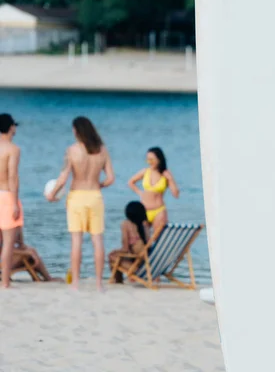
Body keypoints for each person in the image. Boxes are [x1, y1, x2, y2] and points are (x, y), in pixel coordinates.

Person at [46, 116, 115, 291]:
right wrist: (99, 184)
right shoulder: (102, 150)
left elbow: (63, 178)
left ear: (76, 131)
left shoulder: (72, 150)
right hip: (95, 197)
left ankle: (76, 283)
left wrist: (52, 195)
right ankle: (99, 283)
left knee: (76, 241)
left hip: (77, 196)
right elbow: (110, 178)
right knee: (97, 240)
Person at [127, 147, 179, 231]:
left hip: (159, 211)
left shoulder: (165, 174)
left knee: (157, 238)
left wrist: (170, 179)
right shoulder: (145, 171)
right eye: (148, 160)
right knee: (142, 239)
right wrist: (140, 193)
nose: (149, 162)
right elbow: (130, 182)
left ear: (159, 159)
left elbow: (176, 194)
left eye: (152, 160)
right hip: (143, 210)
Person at [0, 114, 23, 289]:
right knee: (8, 243)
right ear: (11, 128)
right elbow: (12, 177)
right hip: (7, 195)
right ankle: (5, 282)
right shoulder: (13, 149)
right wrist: (15, 202)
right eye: (14, 126)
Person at [108, 201, 151, 283]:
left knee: (111, 256)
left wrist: (115, 251)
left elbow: (125, 249)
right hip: (145, 260)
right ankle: (127, 275)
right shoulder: (145, 224)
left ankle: (121, 279)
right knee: (118, 256)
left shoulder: (126, 224)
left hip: (137, 259)